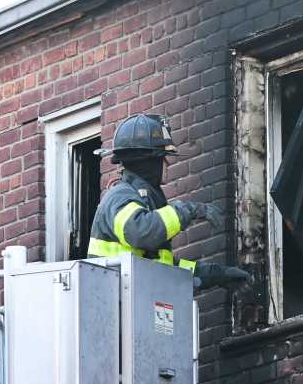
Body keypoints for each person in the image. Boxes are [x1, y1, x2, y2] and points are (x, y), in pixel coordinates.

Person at [87, 113, 253, 291]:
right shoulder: (120, 196)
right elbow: (142, 232)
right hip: (114, 307)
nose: (167, 163)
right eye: (163, 157)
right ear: (148, 161)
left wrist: (216, 275)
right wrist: (189, 210)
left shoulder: (144, 201)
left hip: (138, 303)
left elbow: (165, 270)